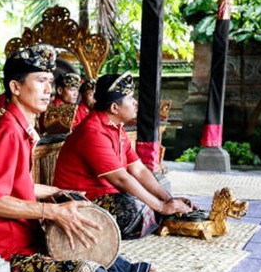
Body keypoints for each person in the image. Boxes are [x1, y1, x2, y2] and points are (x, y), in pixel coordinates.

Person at [0, 44, 151, 272]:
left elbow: (19, 186)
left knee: (107, 257)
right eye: (40, 81)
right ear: (15, 87)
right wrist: (52, 213)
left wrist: (55, 192)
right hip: (2, 254)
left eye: (50, 82)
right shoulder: (7, 133)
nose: (48, 90)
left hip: (28, 238)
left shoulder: (21, 129)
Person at [53, 71, 195, 240]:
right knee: (132, 207)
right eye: (130, 98)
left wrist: (168, 199)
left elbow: (139, 170)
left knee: (160, 182)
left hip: (111, 194)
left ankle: (162, 216)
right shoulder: (92, 131)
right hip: (82, 202)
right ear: (114, 107)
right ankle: (162, 217)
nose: (135, 103)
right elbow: (121, 179)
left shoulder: (117, 128)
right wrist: (161, 207)